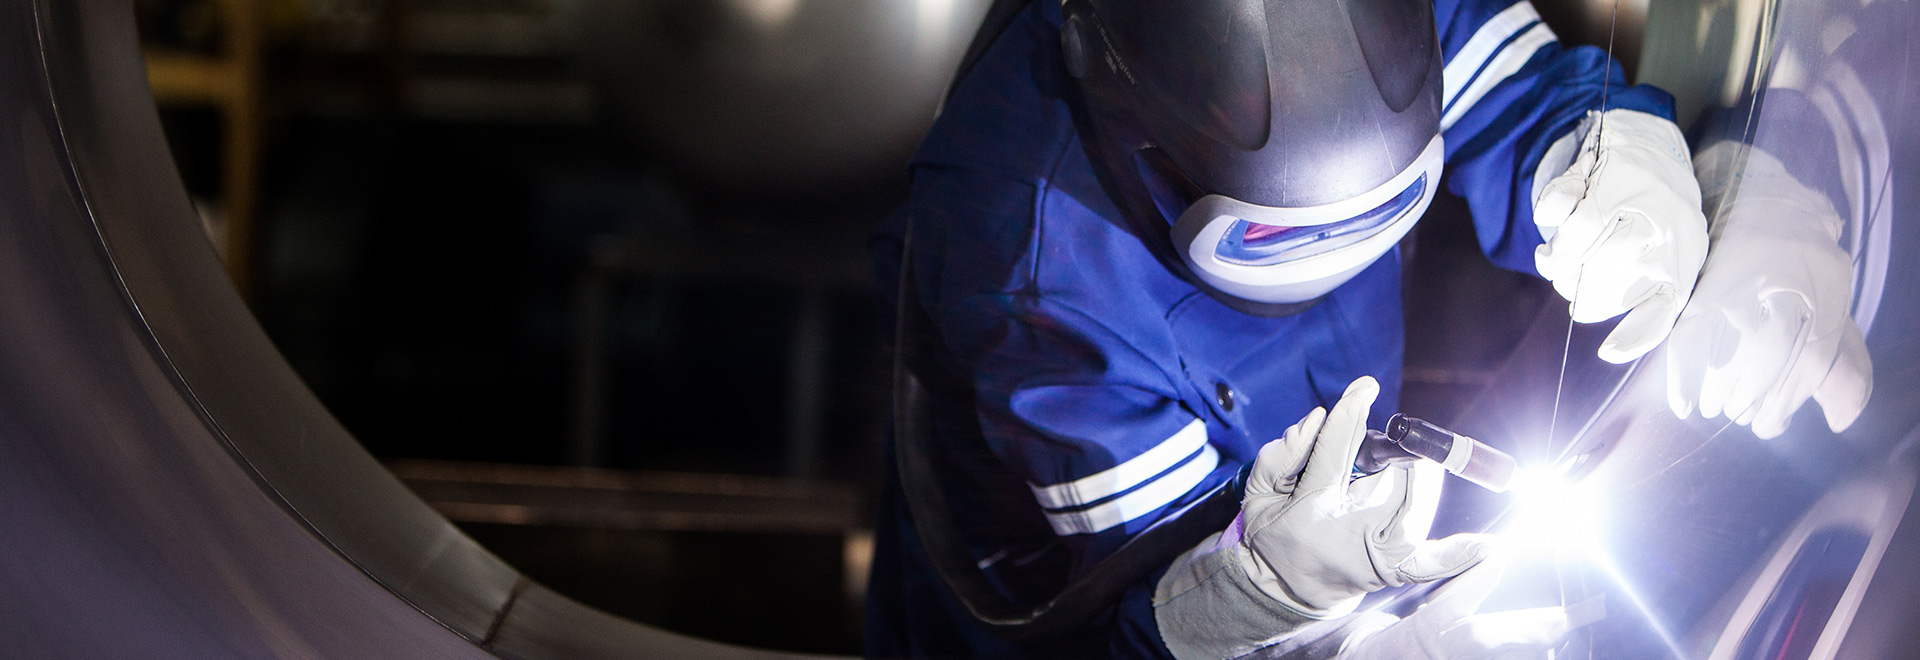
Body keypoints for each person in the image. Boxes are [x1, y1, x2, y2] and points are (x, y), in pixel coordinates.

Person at [865, 0, 1872, 657]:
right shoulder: (1031, 261)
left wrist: (1632, 176)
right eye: (1295, 234)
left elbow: (1534, 108)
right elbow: (1128, 602)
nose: (1338, 253)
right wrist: (1260, 598)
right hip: (1040, 585)